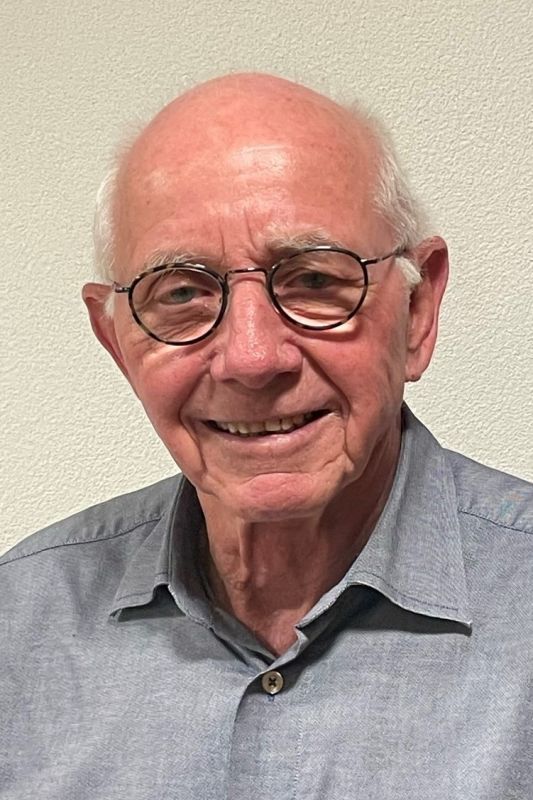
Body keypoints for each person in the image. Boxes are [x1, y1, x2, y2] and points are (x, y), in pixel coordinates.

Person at [1, 73, 532, 800]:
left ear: (417, 311)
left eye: (313, 280)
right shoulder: (20, 622)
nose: (251, 359)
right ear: (118, 343)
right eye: (181, 293)